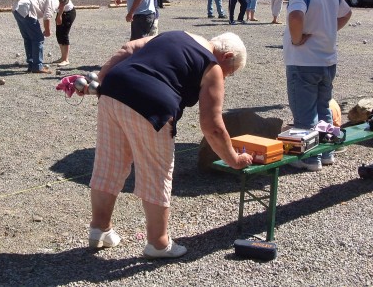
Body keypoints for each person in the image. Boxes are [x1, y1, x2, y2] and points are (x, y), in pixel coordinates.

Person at [88, 30, 252, 259]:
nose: (225, 78)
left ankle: (99, 230)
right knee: (157, 172)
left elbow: (128, 49)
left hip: (114, 89)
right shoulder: (212, 65)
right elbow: (212, 126)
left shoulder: (176, 34)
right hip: (152, 104)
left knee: (110, 162)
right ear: (227, 56)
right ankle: (158, 243)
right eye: (230, 73)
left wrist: (101, 80)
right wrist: (234, 159)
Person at [284, 0, 352, 171]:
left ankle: (309, 158)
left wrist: (297, 39)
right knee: (323, 109)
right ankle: (327, 152)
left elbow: (295, 17)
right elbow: (347, 13)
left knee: (304, 113)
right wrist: (330, 30)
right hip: (327, 60)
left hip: (303, 61)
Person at [12, 0, 69, 74]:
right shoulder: (55, 1)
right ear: (62, 3)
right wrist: (48, 31)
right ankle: (37, 66)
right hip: (27, 11)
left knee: (28, 38)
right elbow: (47, 17)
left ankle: (31, 64)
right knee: (38, 39)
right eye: (63, 6)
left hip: (17, 9)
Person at [38, 0, 76, 67]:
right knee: (59, 34)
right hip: (61, 12)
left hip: (68, 12)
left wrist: (59, 16)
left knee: (64, 34)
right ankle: (62, 57)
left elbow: (63, 1)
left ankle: (66, 59)